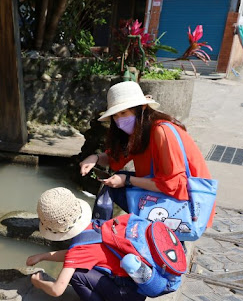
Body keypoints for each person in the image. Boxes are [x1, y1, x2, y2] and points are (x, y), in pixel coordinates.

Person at [78, 81, 214, 226]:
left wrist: (127, 180)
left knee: (118, 184)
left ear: (141, 108)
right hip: (163, 193)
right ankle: (101, 232)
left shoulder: (162, 132)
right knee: (112, 185)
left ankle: (100, 232)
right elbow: (115, 160)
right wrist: (95, 157)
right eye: (115, 116)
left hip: (185, 204)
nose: (119, 120)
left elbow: (172, 185)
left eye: (124, 112)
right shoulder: (139, 132)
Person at [26, 187, 147, 301]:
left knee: (76, 275)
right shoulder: (96, 226)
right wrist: (44, 256)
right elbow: (75, 255)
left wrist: (39, 283)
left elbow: (57, 290)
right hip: (136, 286)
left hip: (127, 295)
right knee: (81, 268)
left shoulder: (79, 249)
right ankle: (113, 300)